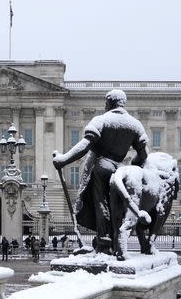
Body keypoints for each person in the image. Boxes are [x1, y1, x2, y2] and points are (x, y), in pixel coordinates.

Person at [53, 89, 148, 254]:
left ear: (110, 103)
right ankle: (117, 242)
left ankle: (104, 242)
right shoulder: (135, 124)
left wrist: (63, 160)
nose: (105, 106)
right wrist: (134, 165)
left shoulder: (102, 120)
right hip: (120, 169)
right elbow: (144, 154)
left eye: (106, 103)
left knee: (102, 204)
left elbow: (85, 146)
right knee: (117, 208)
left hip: (102, 167)